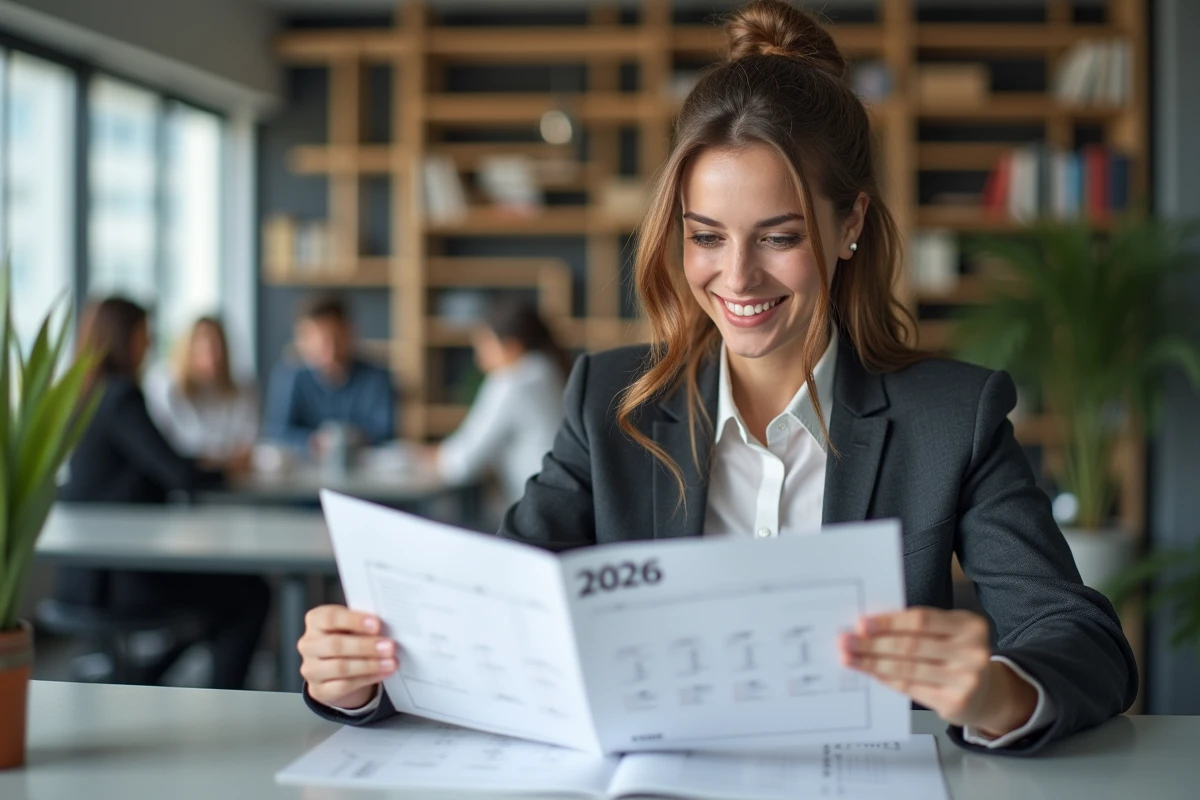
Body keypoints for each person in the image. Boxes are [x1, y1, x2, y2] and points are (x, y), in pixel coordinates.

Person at [295, 0, 1135, 755]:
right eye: (706, 237)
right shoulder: (610, 402)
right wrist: (363, 676)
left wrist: (995, 690)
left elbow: (1081, 637)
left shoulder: (953, 416)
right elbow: (500, 615)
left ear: (851, 225)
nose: (737, 279)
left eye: (779, 236)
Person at [58, 297, 269, 690]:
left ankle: (147, 675)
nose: (150, 345)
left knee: (227, 598)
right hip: (119, 577)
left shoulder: (87, 394)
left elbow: (156, 462)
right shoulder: (121, 397)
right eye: (144, 335)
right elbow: (179, 474)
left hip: (86, 572)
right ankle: (219, 699)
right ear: (124, 339)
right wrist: (228, 469)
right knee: (250, 594)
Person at [426, 297, 569, 506]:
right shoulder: (547, 369)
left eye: (485, 344)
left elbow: (462, 462)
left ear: (512, 346)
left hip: (537, 510)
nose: (478, 357)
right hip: (561, 501)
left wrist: (426, 457)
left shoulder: (512, 381)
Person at [263, 294, 397, 455]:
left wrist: (350, 440)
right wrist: (312, 442)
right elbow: (277, 432)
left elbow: (385, 432)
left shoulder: (376, 378)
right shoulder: (290, 376)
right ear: (302, 341)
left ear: (349, 333)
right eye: (318, 340)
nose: (329, 349)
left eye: (335, 338)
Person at [145, 316, 258, 466]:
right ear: (188, 350)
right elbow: (163, 447)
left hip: (228, 482)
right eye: (205, 348)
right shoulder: (164, 384)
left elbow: (246, 446)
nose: (213, 356)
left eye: (218, 347)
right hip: (181, 480)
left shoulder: (242, 387)